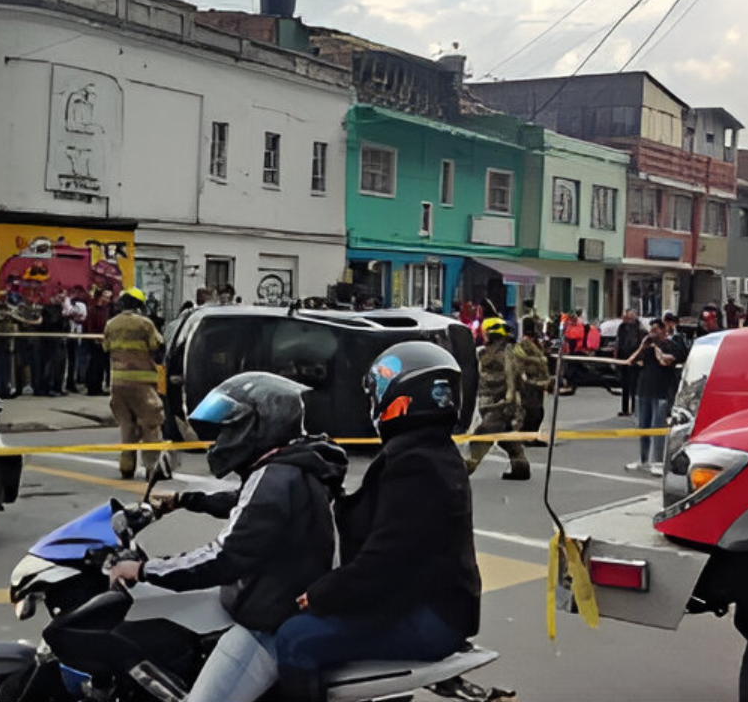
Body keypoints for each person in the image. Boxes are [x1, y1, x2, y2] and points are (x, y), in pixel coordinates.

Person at [105, 373, 348, 702]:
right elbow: (249, 504)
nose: (222, 439)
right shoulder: (294, 466)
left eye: (230, 428)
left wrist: (144, 570)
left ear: (262, 425)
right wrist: (189, 500)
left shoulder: (275, 478)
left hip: (268, 626)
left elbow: (225, 557)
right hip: (286, 604)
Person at [274, 342, 481, 701]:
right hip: (428, 601)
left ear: (402, 397)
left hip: (430, 615)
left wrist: (325, 593)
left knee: (295, 638)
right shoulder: (431, 450)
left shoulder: (415, 464)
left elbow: (388, 558)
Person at [104, 288, 168, 479]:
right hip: (142, 384)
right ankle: (152, 467)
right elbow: (157, 344)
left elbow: (105, 346)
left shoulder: (111, 324)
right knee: (151, 424)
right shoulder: (145, 324)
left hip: (118, 384)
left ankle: (126, 466)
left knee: (126, 425)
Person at [466, 317, 531, 481]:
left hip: (499, 402)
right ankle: (520, 466)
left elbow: (512, 377)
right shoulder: (490, 352)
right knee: (506, 437)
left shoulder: (504, 354)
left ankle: (466, 466)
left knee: (483, 435)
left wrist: (509, 396)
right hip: (495, 402)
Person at [625, 319, 677, 476]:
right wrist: (643, 346)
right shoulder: (646, 346)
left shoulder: (670, 345)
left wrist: (656, 347)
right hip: (643, 391)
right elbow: (631, 361)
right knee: (643, 427)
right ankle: (644, 460)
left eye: (656, 329)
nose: (653, 332)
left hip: (660, 392)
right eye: (651, 329)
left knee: (657, 429)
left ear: (664, 330)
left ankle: (658, 462)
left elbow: (665, 361)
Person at [511, 318, 553, 449]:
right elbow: (519, 362)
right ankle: (525, 437)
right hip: (530, 381)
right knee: (531, 411)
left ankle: (532, 436)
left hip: (538, 382)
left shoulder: (536, 343)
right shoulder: (523, 344)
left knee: (538, 411)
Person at [615, 309, 647, 417]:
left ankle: (634, 409)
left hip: (635, 360)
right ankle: (624, 409)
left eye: (629, 318)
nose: (627, 320)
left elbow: (642, 345)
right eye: (626, 318)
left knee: (634, 386)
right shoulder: (622, 327)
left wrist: (639, 358)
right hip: (624, 359)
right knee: (625, 386)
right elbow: (619, 342)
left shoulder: (640, 329)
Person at [84, 289, 113, 397]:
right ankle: (92, 387)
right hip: (95, 340)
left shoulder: (107, 310)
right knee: (94, 364)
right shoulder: (92, 310)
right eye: (105, 297)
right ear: (100, 297)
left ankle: (98, 387)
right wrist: (94, 338)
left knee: (101, 365)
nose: (107, 299)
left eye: (108, 298)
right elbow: (89, 325)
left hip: (104, 340)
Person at [63, 288, 88, 394]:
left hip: (77, 334)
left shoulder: (81, 305)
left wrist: (74, 316)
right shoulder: (65, 302)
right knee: (66, 361)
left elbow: (83, 317)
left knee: (75, 360)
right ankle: (66, 382)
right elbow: (66, 313)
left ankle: (72, 382)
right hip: (66, 335)